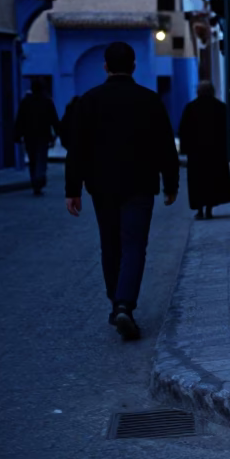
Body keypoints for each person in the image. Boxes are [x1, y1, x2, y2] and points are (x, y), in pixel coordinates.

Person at [65, 42, 179, 341]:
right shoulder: (149, 100)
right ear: (134, 66)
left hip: (102, 186)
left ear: (105, 66)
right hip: (140, 185)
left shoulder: (88, 101)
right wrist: (172, 183)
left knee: (110, 244)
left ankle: (117, 302)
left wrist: (72, 189)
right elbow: (166, 146)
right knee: (134, 245)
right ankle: (124, 304)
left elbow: (76, 148)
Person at [178, 81, 230, 219]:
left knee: (198, 183)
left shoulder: (191, 108)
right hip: (216, 153)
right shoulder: (221, 108)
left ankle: (200, 210)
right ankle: (209, 209)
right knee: (213, 181)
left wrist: (186, 149)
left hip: (197, 154)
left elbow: (183, 131)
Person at [14, 80, 59, 196]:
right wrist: (58, 133)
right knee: (41, 158)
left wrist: (17, 135)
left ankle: (35, 181)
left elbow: (20, 119)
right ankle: (39, 178)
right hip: (43, 135)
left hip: (29, 135)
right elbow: (54, 119)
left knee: (32, 159)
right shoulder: (47, 102)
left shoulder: (26, 102)